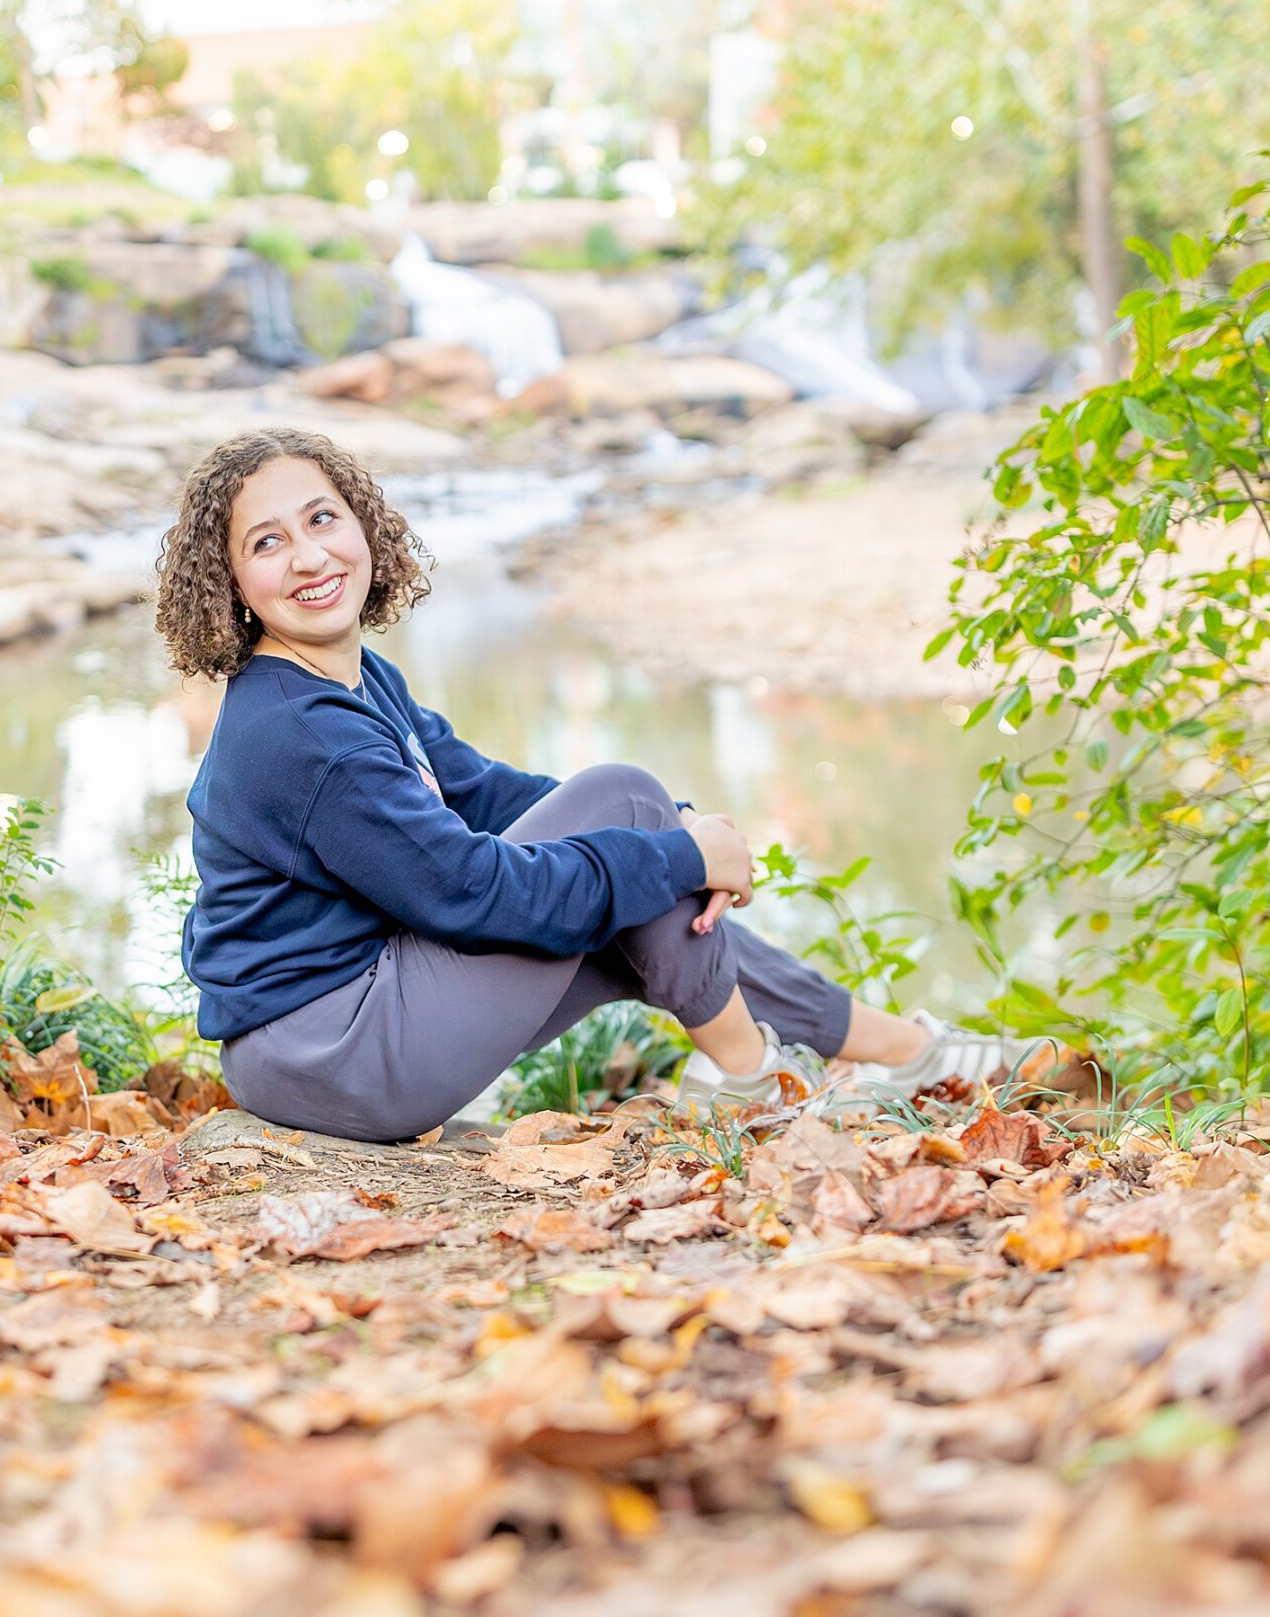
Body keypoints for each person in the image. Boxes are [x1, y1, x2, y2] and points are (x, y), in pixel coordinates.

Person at [156, 428, 1045, 1145]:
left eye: (323, 520)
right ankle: (750, 1081)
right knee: (628, 825)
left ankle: (900, 1052)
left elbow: (488, 795)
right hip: (329, 1051)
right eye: (268, 542)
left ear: (364, 528)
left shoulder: (349, 679)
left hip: (354, 1026)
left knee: (641, 867)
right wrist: (665, 845)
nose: (309, 556)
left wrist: (674, 836)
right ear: (229, 582)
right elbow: (468, 891)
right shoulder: (297, 734)